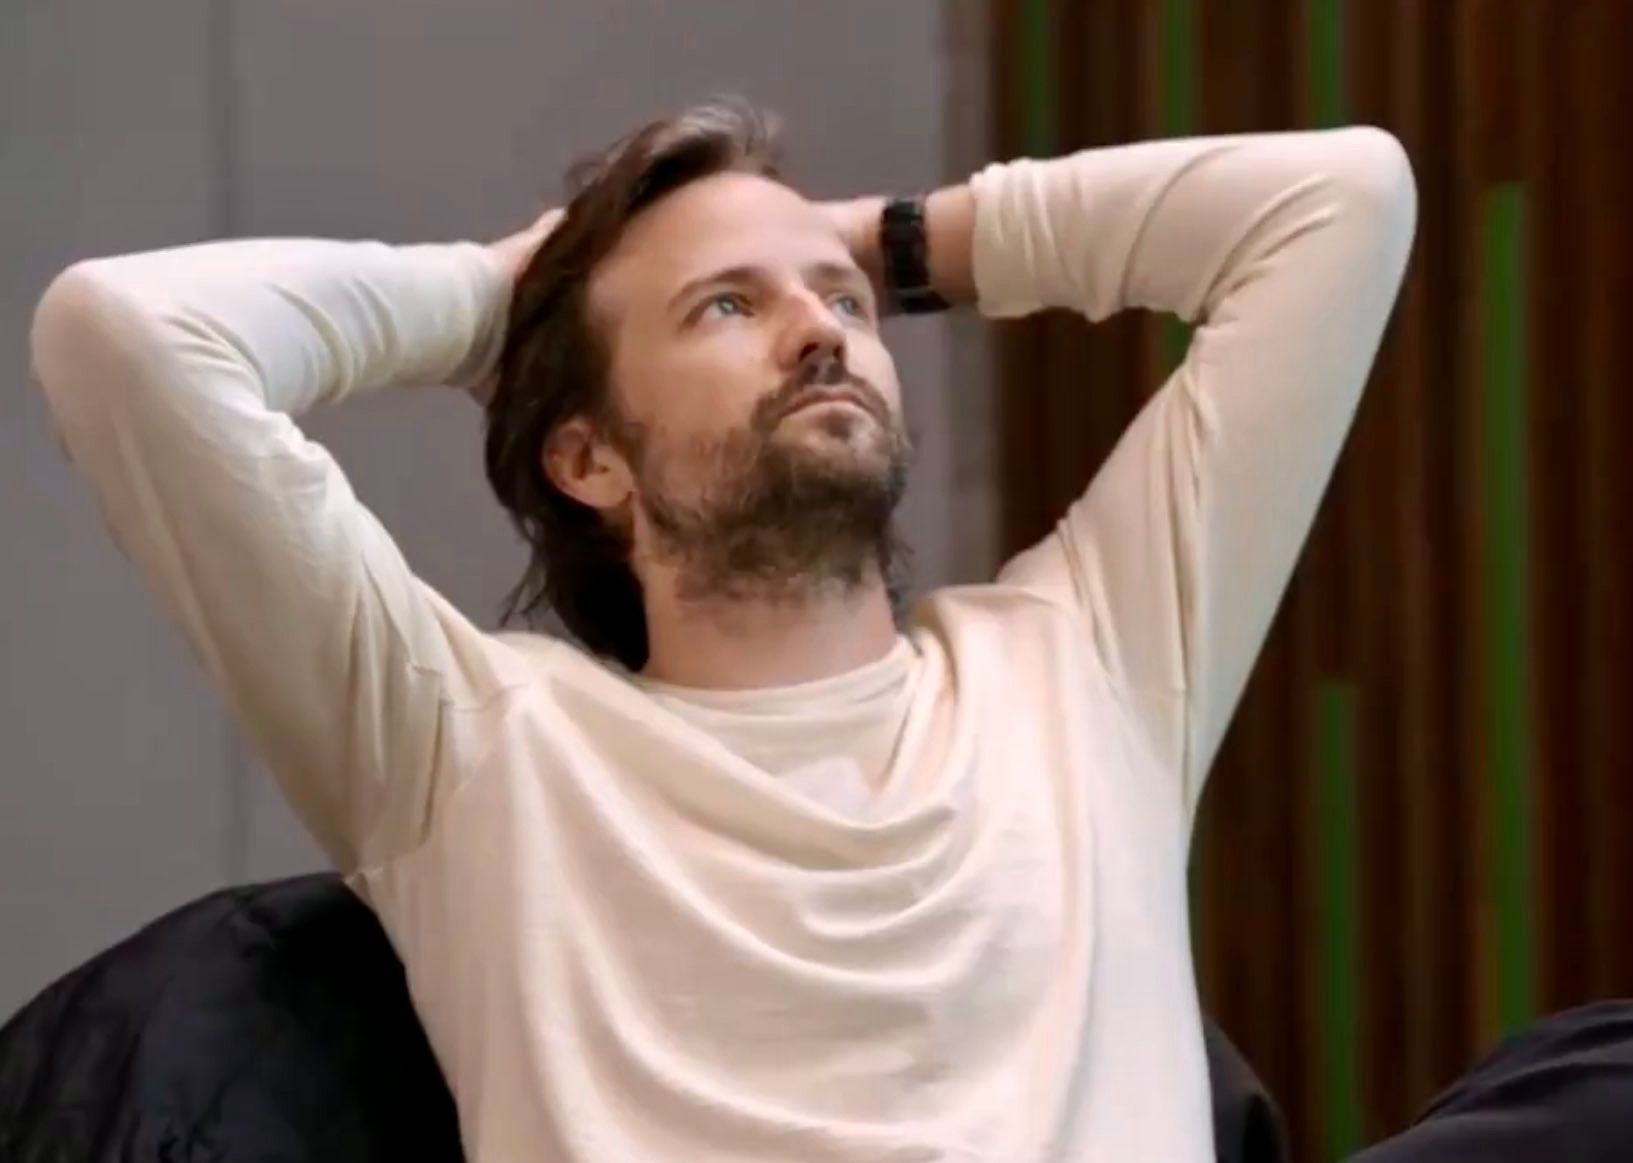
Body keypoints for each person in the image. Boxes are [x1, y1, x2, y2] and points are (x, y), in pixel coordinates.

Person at [29, 99, 1417, 1161]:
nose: (820, 331)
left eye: (845, 301)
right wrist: (503, 295)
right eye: (728, 306)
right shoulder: (474, 748)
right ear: (590, 458)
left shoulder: (1091, 662)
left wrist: (892, 242)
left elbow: (1341, 199)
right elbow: (126, 332)